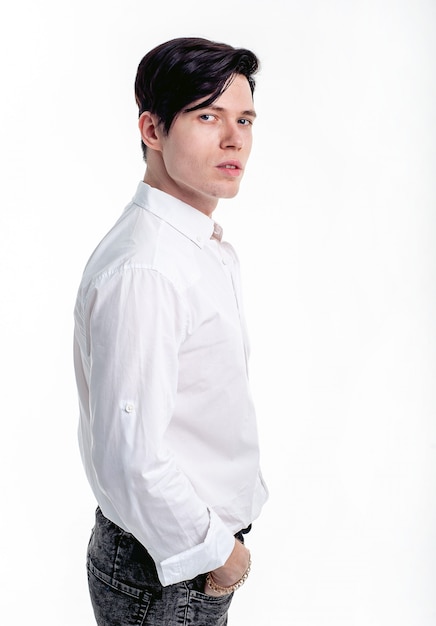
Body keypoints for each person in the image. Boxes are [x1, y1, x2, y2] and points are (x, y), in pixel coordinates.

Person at [73, 36, 268, 625]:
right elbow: (130, 456)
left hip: (181, 555)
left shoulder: (192, 247)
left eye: (245, 119)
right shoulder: (149, 269)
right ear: (152, 130)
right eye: (208, 116)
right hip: (172, 567)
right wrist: (219, 555)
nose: (234, 138)